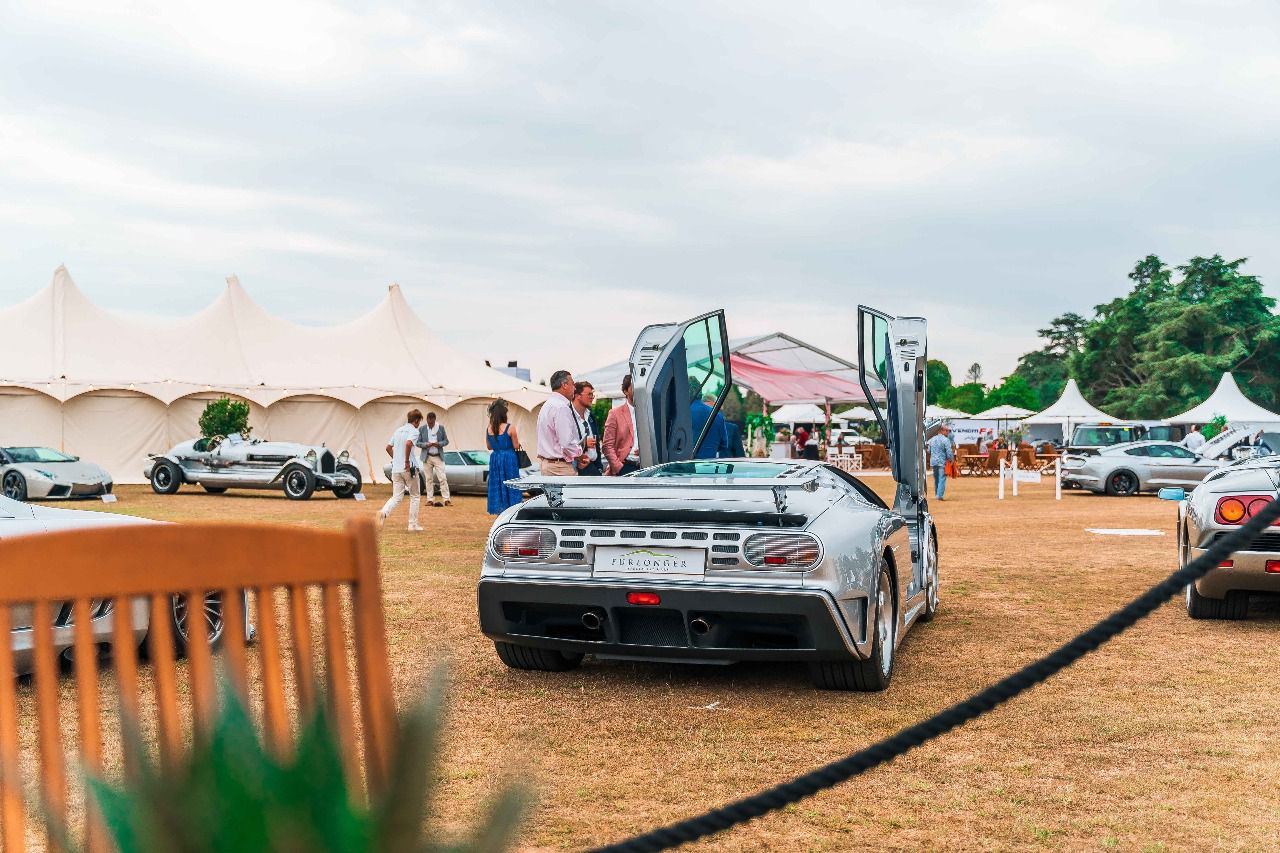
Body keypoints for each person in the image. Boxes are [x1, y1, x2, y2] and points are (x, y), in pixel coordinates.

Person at [378, 409, 423, 531]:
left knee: (396, 497)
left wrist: (397, 459)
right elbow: (408, 444)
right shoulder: (414, 431)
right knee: (415, 496)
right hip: (409, 468)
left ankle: (383, 512)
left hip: (396, 469)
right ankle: (412, 524)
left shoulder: (398, 430)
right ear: (416, 420)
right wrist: (406, 461)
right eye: (419, 421)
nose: (419, 424)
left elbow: (388, 448)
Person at [536, 369, 586, 475]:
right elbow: (566, 443)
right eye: (572, 384)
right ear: (564, 385)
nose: (575, 388)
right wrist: (579, 454)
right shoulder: (561, 407)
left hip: (548, 464)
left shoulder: (547, 405)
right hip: (559, 467)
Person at [485, 399, 524, 514]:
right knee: (511, 484)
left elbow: (489, 447)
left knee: (497, 484)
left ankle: (499, 512)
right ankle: (512, 510)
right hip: (509, 459)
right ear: (504, 414)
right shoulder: (510, 427)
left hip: (495, 459)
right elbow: (516, 445)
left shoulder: (489, 429)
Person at [604, 373, 640, 475]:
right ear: (625, 391)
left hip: (646, 466)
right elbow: (607, 446)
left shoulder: (648, 413)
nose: (637, 390)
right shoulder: (615, 414)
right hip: (625, 466)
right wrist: (619, 468)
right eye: (633, 387)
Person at [417, 411, 451, 507]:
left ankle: (446, 499)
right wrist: (426, 445)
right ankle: (430, 499)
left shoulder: (441, 428)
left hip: (438, 456)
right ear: (427, 420)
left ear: (435, 420)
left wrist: (438, 444)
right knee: (428, 479)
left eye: (432, 423)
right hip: (427, 456)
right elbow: (418, 443)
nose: (430, 424)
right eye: (429, 423)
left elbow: (446, 441)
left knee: (442, 478)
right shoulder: (422, 429)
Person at [572, 380, 604, 475]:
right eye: (589, 394)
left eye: (592, 394)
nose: (592, 397)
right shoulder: (568, 415)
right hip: (577, 468)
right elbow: (565, 444)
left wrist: (599, 467)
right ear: (577, 396)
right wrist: (584, 444)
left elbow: (597, 443)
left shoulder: (590, 415)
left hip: (593, 467)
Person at [690, 394, 728, 459]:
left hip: (682, 461)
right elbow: (724, 444)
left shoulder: (684, 410)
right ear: (711, 402)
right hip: (708, 461)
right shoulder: (718, 416)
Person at [927, 424, 955, 501]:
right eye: (947, 431)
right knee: (942, 478)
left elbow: (928, 450)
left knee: (936, 479)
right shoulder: (946, 440)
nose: (948, 432)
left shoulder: (932, 439)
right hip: (942, 461)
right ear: (942, 430)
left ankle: (937, 494)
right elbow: (949, 451)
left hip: (933, 461)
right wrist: (951, 459)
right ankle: (939, 496)